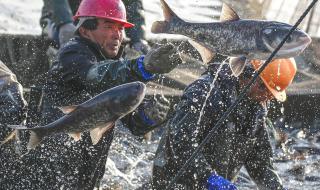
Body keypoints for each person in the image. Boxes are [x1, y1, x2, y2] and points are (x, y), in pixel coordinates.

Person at [0, 0, 182, 189]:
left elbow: (133, 125)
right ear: (85, 29)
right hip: (49, 171)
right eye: (109, 26)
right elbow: (95, 75)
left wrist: (148, 118)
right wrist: (141, 66)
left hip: (88, 172)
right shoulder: (71, 54)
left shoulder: (114, 66)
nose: (117, 34)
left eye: (121, 28)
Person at [152, 58, 297, 189]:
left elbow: (260, 165)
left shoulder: (256, 110)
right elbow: (181, 142)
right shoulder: (204, 91)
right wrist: (208, 177)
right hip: (173, 182)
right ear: (246, 74)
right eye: (263, 88)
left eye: (271, 95)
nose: (265, 97)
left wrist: (275, 187)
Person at [41, 0, 150, 53]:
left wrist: (138, 38)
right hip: (59, 17)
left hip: (100, 17)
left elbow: (133, 4)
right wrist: (64, 22)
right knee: (67, 35)